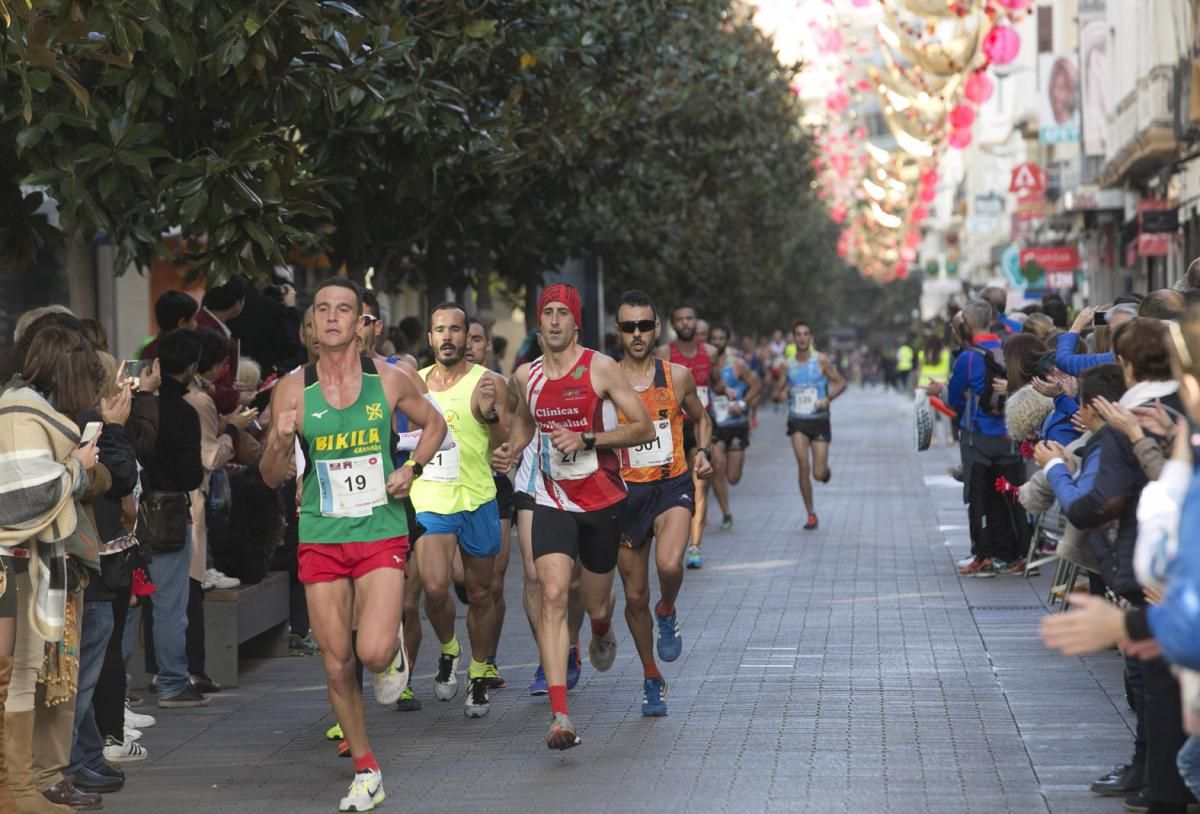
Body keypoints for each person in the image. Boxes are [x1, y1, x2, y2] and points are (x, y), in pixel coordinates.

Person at [260, 278, 446, 812]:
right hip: (320, 532)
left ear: (363, 323)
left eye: (347, 310)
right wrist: (278, 439)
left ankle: (391, 654)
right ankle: (366, 769)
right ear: (312, 323)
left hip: (379, 530)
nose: (335, 318)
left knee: (371, 651)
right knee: (337, 661)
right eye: (325, 310)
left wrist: (411, 467)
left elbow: (434, 423)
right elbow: (272, 476)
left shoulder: (388, 380)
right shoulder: (292, 389)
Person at [491, 283, 654, 750]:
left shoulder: (601, 368)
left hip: (602, 500)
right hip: (549, 497)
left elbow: (642, 426)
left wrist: (588, 440)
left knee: (597, 603)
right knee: (553, 593)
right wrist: (513, 448)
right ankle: (559, 714)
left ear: (576, 322)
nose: (556, 320)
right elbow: (524, 420)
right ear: (539, 323)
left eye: (564, 312)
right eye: (549, 313)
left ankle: (601, 630)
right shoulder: (526, 375)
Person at [613, 291, 713, 716]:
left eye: (645, 326)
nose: (637, 334)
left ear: (657, 329)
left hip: (671, 484)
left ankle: (668, 608)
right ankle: (651, 676)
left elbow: (701, 418)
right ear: (619, 332)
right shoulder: (605, 379)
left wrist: (702, 452)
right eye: (628, 327)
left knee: (670, 565)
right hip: (623, 494)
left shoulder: (677, 376)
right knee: (634, 599)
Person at [409, 304, 510, 718]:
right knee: (434, 588)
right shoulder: (411, 384)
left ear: (468, 336)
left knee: (481, 593)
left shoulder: (488, 382)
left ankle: (480, 670)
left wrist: (490, 415)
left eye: (455, 329)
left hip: (478, 496)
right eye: (440, 330)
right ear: (430, 338)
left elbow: (502, 441)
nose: (448, 337)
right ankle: (449, 649)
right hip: (431, 497)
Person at [927, 299, 1029, 575]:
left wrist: (939, 391)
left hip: (978, 439)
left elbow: (956, 399)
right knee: (1010, 495)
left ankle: (982, 554)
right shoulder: (1008, 349)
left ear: (968, 325)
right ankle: (1016, 553)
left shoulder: (968, 358)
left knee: (979, 497)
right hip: (1009, 436)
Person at [464, 318, 514, 690]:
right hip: (450, 495)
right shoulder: (431, 383)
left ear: (488, 347)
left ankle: (488, 661)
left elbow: (508, 440)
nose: (467, 345)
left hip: (495, 491)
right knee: (455, 584)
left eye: (476, 339)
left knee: (494, 583)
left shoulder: (500, 386)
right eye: (463, 338)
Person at [658, 306, 718, 569]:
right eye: (679, 319)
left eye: (689, 318)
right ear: (673, 324)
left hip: (699, 426)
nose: (685, 323)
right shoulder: (664, 353)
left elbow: (712, 384)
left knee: (699, 486)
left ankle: (695, 545)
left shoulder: (711, 353)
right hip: (672, 430)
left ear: (696, 322)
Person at [774, 321, 846, 531]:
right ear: (793, 338)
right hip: (797, 420)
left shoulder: (821, 360)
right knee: (803, 465)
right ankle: (811, 513)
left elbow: (841, 382)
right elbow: (776, 393)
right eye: (798, 334)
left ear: (811, 337)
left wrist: (828, 398)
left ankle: (824, 472)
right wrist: (780, 395)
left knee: (817, 473)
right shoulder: (787, 365)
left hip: (819, 420)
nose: (802, 338)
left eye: (806, 334)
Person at [707, 324, 761, 530]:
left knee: (733, 477)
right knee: (716, 467)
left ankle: (725, 506)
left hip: (736, 425)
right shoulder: (705, 365)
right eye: (714, 338)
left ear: (727, 341)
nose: (717, 342)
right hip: (715, 424)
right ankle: (726, 513)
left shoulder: (738, 364)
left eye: (721, 338)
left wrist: (743, 404)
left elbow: (757, 385)